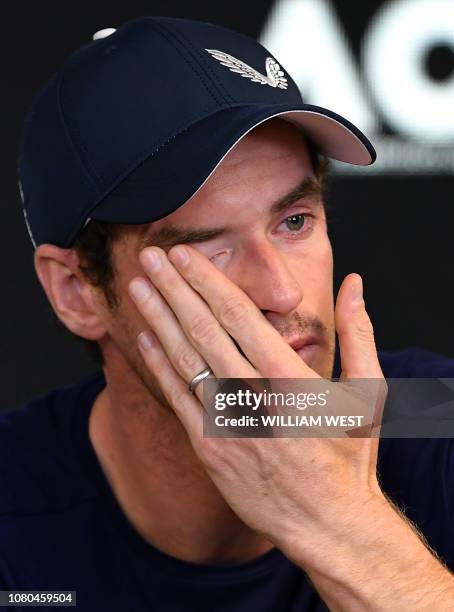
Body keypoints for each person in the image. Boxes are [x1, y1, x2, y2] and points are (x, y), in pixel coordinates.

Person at [3, 15, 453, 611]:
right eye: (204, 252)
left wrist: (347, 527)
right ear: (77, 292)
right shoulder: (15, 503)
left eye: (294, 223)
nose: (283, 293)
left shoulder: (433, 417)